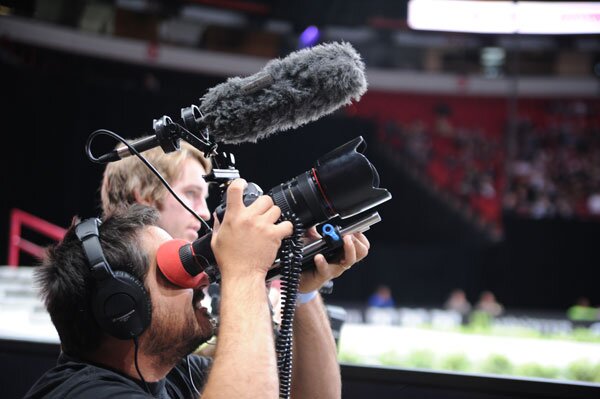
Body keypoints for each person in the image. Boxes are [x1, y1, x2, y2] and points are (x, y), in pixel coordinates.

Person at [27, 177, 370, 397]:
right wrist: (245, 270)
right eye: (173, 270)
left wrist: (303, 292)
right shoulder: (82, 394)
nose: (202, 279)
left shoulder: (176, 376)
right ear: (122, 306)